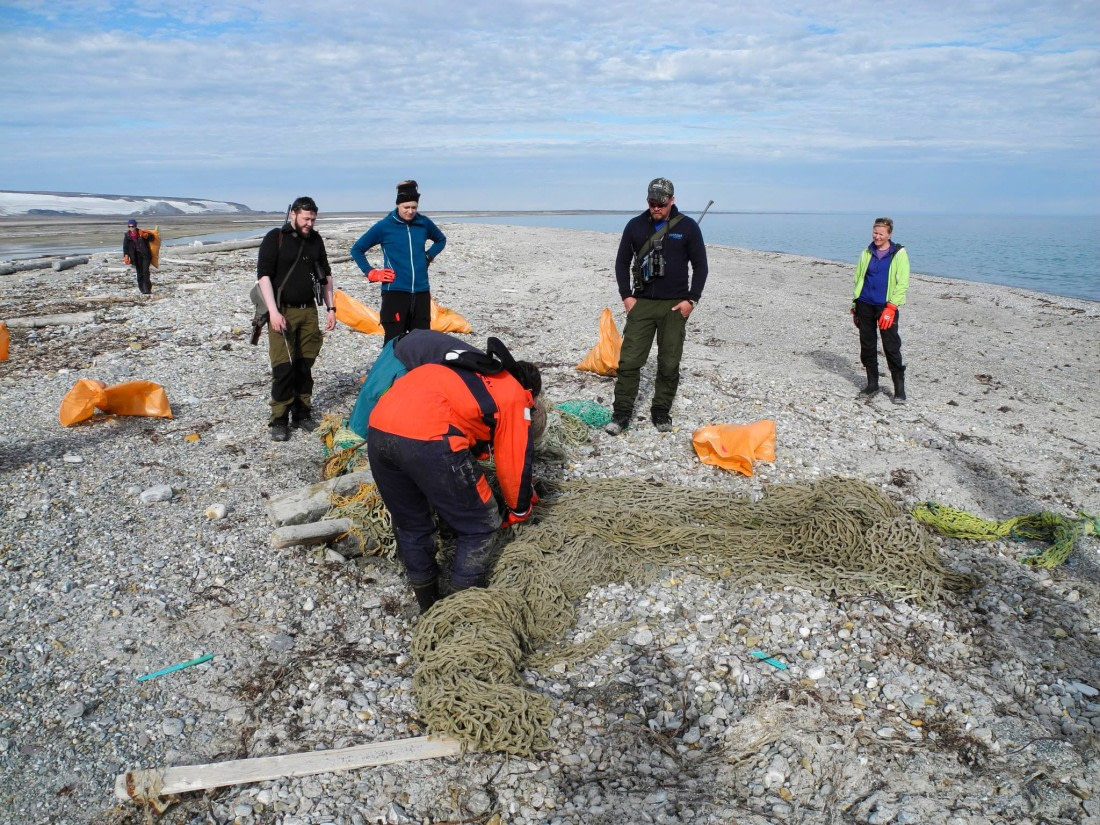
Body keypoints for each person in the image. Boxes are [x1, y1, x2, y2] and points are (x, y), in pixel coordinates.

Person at [367, 341, 542, 614]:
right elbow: (514, 460)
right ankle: (456, 614)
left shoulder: (470, 370)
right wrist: (520, 508)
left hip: (379, 429)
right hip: (430, 439)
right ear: (529, 391)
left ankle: (427, 604)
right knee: (480, 525)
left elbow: (465, 416)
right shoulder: (515, 394)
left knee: (411, 525)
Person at [605, 177, 708, 435]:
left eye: (661, 203)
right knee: (628, 361)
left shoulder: (688, 227)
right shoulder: (635, 226)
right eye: (652, 202)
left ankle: (661, 412)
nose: (656, 208)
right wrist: (627, 296)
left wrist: (691, 300)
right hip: (642, 305)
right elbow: (621, 263)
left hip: (675, 306)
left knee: (669, 363)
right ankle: (621, 415)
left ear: (672, 200)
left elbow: (701, 266)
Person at [255, 196, 336, 441]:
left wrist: (331, 308)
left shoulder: (315, 240)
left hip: (309, 310)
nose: (309, 223)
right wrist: (273, 312)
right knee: (283, 367)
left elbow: (326, 275)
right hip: (282, 311)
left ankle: (302, 413)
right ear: (293, 214)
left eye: (313, 219)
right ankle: (279, 419)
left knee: (305, 364)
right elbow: (263, 277)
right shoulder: (275, 238)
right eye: (305, 218)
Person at [350, 180, 447, 343]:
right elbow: (357, 249)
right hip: (395, 292)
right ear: (398, 205)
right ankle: (391, 369)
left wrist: (428, 257)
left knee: (422, 342)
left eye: (414, 207)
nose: (410, 211)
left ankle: (418, 369)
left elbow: (440, 240)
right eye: (406, 207)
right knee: (394, 342)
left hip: (421, 291)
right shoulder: (384, 226)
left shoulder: (423, 223)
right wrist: (371, 273)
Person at [851, 216, 910, 403]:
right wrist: (855, 304)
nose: (876, 237)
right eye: (875, 233)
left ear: (889, 234)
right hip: (865, 304)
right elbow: (858, 278)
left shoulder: (898, 254)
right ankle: (872, 384)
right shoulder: (866, 253)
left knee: (891, 346)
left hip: (886, 307)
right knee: (867, 345)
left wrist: (892, 307)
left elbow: (903, 283)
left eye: (881, 234)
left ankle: (899, 389)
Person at [122, 219, 153, 294]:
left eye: (132, 226)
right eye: (129, 226)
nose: (131, 228)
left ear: (135, 226)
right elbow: (125, 247)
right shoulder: (127, 236)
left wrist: (147, 235)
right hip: (135, 256)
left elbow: (152, 238)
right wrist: (126, 256)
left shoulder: (141, 233)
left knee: (145, 272)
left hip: (145, 255)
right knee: (139, 273)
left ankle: (148, 289)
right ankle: (142, 289)